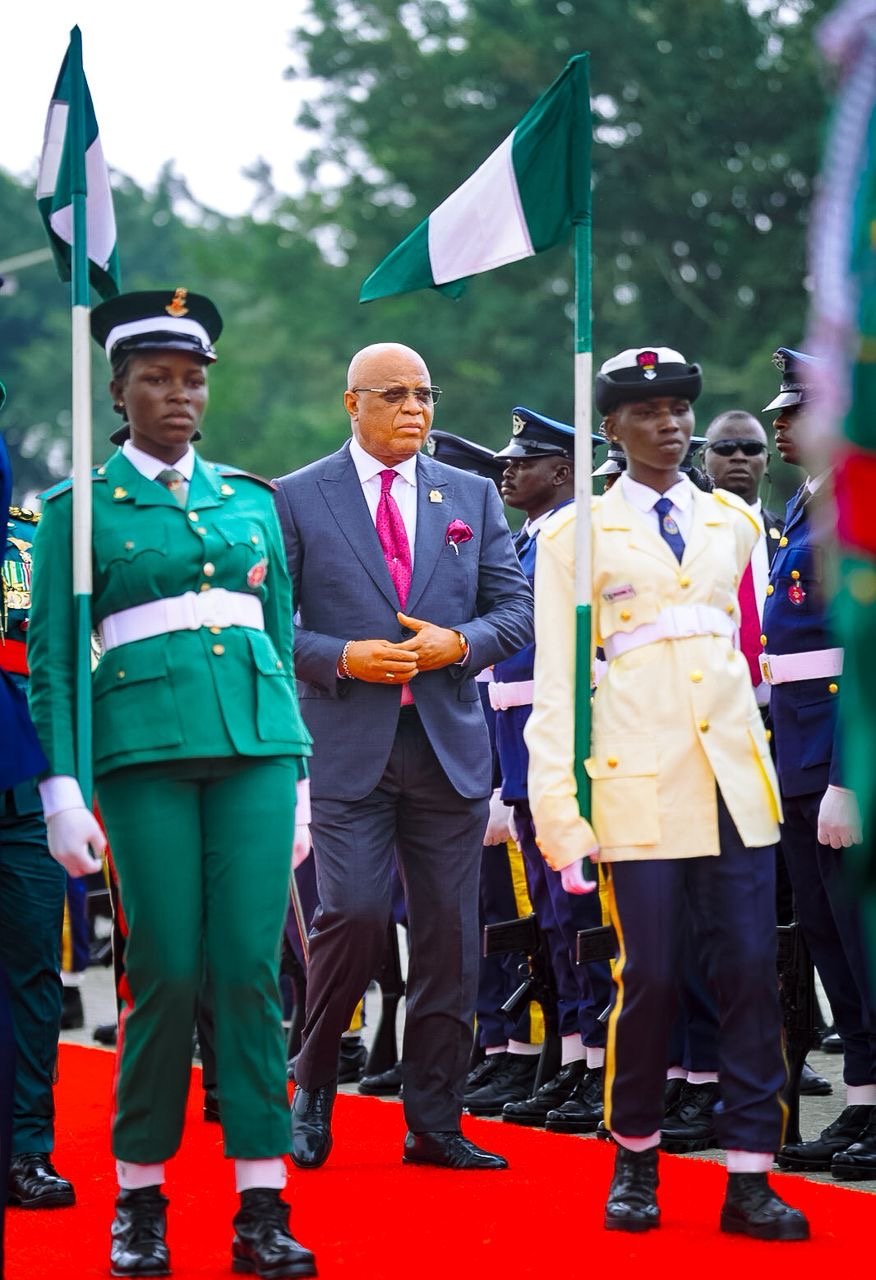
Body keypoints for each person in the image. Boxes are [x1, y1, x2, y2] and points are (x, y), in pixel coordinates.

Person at [27, 290, 317, 1278]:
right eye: (156, 378)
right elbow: (56, 663)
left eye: (193, 378)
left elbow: (275, 637)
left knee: (249, 971)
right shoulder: (76, 511)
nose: (180, 394)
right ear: (119, 392)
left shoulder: (251, 500)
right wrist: (61, 789)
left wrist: (301, 781)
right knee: (165, 973)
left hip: (257, 750)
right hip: (142, 754)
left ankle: (262, 1204)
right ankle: (140, 1198)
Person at [526, 345, 808, 1240]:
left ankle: (751, 1172)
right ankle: (637, 1156)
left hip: (735, 781)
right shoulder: (576, 536)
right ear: (611, 427)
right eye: (647, 411)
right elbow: (558, 688)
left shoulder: (734, 523)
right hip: (638, 786)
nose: (671, 423)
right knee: (647, 976)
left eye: (681, 407)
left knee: (750, 975)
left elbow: (742, 654)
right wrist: (561, 819)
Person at [274, 342, 533, 1172]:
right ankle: (314, 1085)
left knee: (449, 937)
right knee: (350, 915)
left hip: (448, 747)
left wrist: (460, 643)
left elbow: (514, 610)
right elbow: (272, 626)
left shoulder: (470, 494)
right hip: (348, 745)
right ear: (352, 403)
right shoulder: (296, 495)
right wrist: (343, 657)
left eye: (425, 393)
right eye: (394, 394)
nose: (415, 408)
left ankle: (435, 1121)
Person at [759, 348, 876, 1180]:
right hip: (795, 751)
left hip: (836, 754)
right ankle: (863, 1100)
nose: (779, 426)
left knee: (863, 941)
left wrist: (846, 778)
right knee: (829, 939)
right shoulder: (808, 500)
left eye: (795, 412)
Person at [478, 409, 612, 1130]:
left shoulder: (575, 542)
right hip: (522, 751)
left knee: (583, 917)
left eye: (523, 461)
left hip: (564, 752)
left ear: (562, 472)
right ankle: (573, 1057)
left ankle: (601, 1059)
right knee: (555, 921)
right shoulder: (533, 543)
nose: (508, 471)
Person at [1, 502, 75, 1210]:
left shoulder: (34, 539)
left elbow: (71, 657)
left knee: (32, 969)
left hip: (27, 788)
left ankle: (26, 1146)